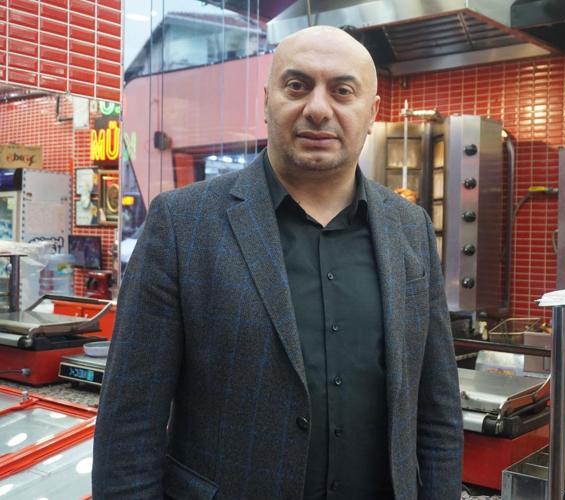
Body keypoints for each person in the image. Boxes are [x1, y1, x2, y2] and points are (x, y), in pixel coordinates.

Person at [92, 26, 463, 499]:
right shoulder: (183, 224)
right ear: (267, 101)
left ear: (372, 113)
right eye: (297, 85)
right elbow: (129, 424)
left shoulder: (409, 228)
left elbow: (437, 412)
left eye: (342, 91)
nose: (318, 109)